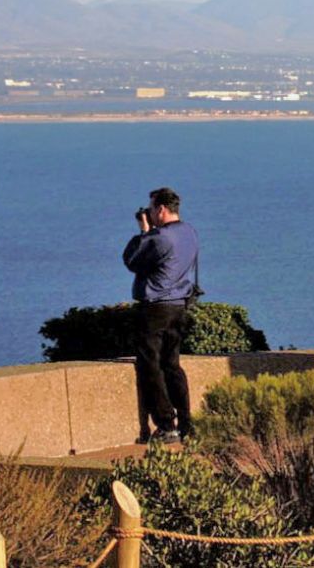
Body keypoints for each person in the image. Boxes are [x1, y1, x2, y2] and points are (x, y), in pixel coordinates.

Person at [122, 186, 199, 444]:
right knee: (172, 364)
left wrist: (144, 231)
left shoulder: (159, 238)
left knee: (150, 365)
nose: (151, 213)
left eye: (153, 209)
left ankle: (166, 424)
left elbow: (132, 261)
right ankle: (187, 422)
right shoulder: (190, 233)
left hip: (155, 307)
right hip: (180, 306)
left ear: (161, 210)